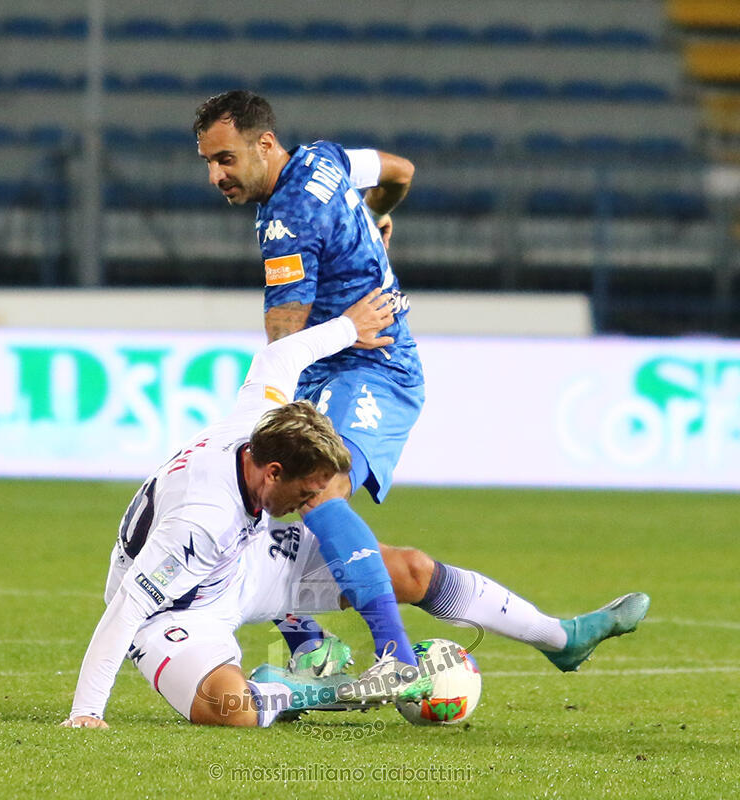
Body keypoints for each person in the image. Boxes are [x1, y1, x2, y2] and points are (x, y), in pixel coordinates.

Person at [62, 291, 651, 729]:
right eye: (307, 495)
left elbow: (281, 356)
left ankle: (561, 636)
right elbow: (126, 607)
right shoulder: (201, 520)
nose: (311, 507)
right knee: (233, 708)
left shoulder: (259, 421)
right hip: (174, 609)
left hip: (244, 565)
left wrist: (350, 326)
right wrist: (87, 712)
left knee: (410, 569)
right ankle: (320, 691)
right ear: (273, 473)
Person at [193, 89, 424, 669]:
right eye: (209, 162)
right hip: (331, 371)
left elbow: (282, 338)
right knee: (261, 494)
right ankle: (312, 648)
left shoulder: (285, 221)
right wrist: (375, 216)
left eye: (225, 159)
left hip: (371, 368)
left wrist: (339, 329)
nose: (216, 176)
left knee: (316, 486)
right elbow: (400, 171)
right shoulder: (327, 157)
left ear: (264, 144)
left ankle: (395, 657)